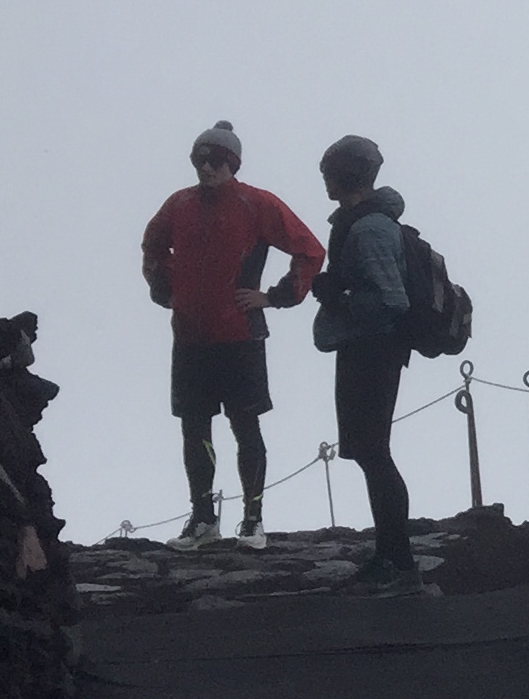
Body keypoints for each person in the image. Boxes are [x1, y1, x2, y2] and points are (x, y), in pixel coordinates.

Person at [139, 121, 325, 548]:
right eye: (199, 159)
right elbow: (152, 245)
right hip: (189, 336)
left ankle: (252, 520)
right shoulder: (179, 204)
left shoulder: (255, 203)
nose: (206, 167)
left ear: (233, 163)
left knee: (245, 425)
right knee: (194, 428)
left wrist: (276, 296)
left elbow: (310, 250)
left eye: (216, 160)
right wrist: (163, 286)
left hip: (240, 334)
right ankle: (203, 519)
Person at [310, 133, 423, 592]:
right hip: (366, 348)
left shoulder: (369, 228)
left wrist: (340, 298)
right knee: (368, 452)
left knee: (374, 453)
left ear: (344, 175)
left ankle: (398, 562)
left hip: (372, 350)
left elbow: (391, 300)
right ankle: (390, 557)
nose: (324, 180)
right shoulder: (361, 223)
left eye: (328, 172)